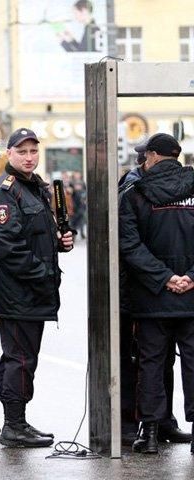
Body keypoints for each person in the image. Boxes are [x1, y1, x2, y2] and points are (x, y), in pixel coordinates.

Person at [0, 128, 74, 448]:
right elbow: (6, 245)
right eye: (21, 152)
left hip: (32, 290)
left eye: (33, 151)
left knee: (24, 358)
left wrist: (62, 243)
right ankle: (14, 425)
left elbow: (37, 236)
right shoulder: (5, 191)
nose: (28, 157)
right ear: (9, 154)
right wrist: (41, 274)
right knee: (19, 359)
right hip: (19, 291)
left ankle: (19, 422)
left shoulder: (34, 188)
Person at [118, 133, 194, 454]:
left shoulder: (135, 193)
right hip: (191, 298)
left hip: (151, 298)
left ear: (150, 157)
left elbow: (129, 246)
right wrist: (189, 278)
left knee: (150, 363)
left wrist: (164, 278)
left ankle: (148, 433)